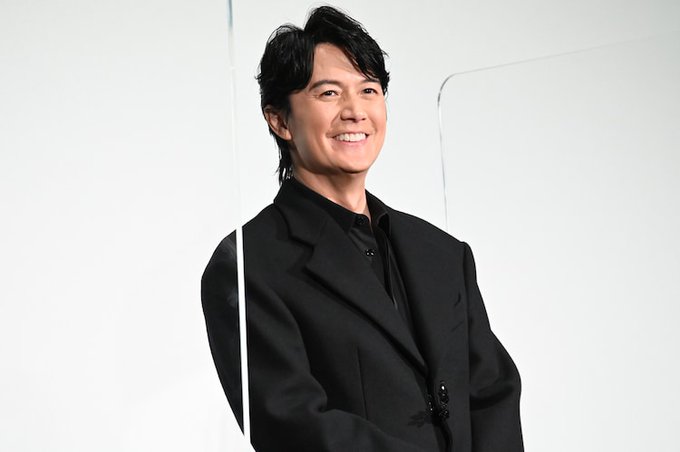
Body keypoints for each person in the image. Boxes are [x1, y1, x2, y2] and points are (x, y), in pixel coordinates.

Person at [202, 6, 523, 452]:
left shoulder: (442, 252)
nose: (355, 111)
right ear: (279, 120)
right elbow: (292, 426)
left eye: (369, 90)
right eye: (329, 93)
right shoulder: (247, 264)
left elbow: (491, 393)